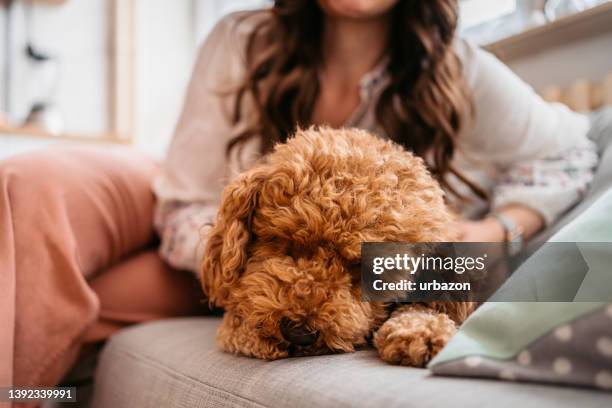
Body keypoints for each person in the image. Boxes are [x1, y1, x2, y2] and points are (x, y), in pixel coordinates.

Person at [153, 0, 598, 276]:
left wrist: (497, 232)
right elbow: (180, 207)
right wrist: (266, 259)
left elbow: (569, 152)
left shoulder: (459, 69)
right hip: (216, 242)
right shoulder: (240, 41)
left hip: (387, 269)